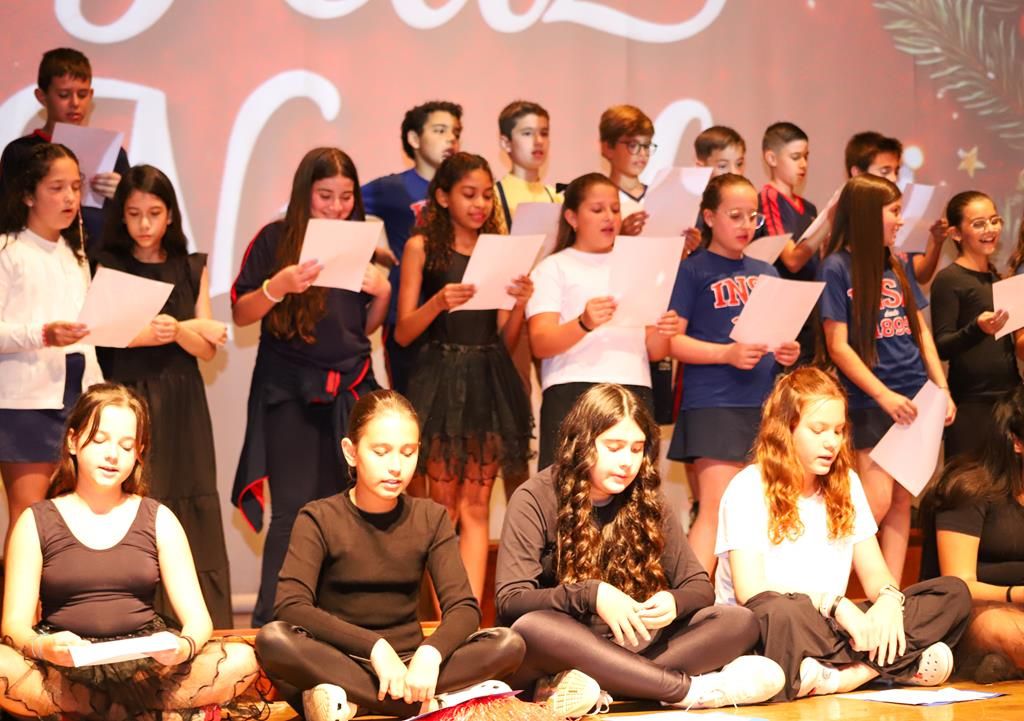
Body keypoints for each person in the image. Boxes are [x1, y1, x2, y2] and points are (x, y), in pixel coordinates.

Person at [496, 383, 784, 715]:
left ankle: (594, 686)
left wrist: (674, 602)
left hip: (631, 642)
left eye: (636, 449)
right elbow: (511, 600)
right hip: (566, 645)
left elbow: (698, 586)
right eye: (614, 447)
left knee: (739, 621)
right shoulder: (534, 498)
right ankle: (688, 690)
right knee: (535, 628)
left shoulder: (647, 499)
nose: (627, 462)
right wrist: (592, 595)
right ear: (581, 443)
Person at [255, 390, 525, 721]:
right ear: (351, 452)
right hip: (340, 662)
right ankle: (428, 704)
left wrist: (431, 652)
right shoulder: (318, 517)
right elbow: (291, 605)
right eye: (381, 452)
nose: (396, 467)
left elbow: (464, 608)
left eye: (408, 453)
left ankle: (356, 704)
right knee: (274, 640)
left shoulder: (430, 517)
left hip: (413, 668)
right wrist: (374, 647)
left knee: (508, 644)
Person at [0, 383, 259, 720]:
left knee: (241, 660)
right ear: (73, 441)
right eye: (100, 440)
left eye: (126, 446)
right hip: (63, 667)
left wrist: (183, 647)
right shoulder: (36, 521)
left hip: (145, 667)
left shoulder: (158, 518)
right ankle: (147, 713)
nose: (113, 455)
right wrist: (43, 647)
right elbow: (13, 625)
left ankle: (103, 711)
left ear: (139, 452)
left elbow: (198, 620)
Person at [716, 367, 971, 700]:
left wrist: (888, 602)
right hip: (778, 623)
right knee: (780, 614)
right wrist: (833, 604)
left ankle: (840, 676)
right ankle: (892, 665)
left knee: (953, 593)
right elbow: (752, 593)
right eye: (818, 430)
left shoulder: (847, 483)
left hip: (835, 625)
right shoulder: (748, 486)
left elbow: (876, 573)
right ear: (785, 429)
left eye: (838, 431)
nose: (832, 442)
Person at [231, 147, 390, 626]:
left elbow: (363, 328)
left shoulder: (362, 242)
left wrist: (383, 291)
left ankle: (342, 622)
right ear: (305, 194)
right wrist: (277, 287)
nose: (336, 207)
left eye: (345, 196)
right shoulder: (275, 238)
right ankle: (272, 624)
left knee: (352, 510)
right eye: (325, 196)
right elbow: (240, 313)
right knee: (293, 512)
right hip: (289, 391)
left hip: (351, 388)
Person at [94, 164, 233, 627]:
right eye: (134, 214)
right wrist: (154, 333)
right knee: (135, 494)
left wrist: (177, 331)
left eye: (154, 213)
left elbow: (208, 348)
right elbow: (103, 335)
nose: (145, 224)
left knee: (189, 497)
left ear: (170, 214)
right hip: (127, 398)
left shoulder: (191, 266)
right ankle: (133, 615)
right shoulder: (108, 263)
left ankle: (197, 620)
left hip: (182, 399)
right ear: (122, 215)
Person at [394, 152, 533, 601]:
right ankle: (444, 614)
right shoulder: (421, 247)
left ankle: (469, 616)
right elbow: (402, 331)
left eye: (487, 195)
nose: (480, 204)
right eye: (469, 194)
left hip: (488, 381)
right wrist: (439, 302)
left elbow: (505, 337)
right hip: (439, 379)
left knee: (476, 507)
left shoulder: (498, 248)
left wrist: (520, 305)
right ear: (442, 197)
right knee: (443, 508)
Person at [819, 173, 955, 581]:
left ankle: (892, 594)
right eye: (894, 211)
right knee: (873, 503)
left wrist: (941, 388)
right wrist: (882, 395)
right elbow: (838, 345)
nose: (901, 220)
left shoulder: (896, 263)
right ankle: (827, 590)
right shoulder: (836, 267)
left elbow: (920, 329)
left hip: (915, 395)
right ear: (867, 214)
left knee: (900, 502)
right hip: (871, 400)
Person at [668, 173, 800, 572]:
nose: (746, 225)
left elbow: (778, 338)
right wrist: (726, 354)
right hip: (714, 401)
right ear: (709, 217)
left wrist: (787, 351)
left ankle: (752, 597)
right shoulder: (692, 270)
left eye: (753, 217)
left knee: (761, 508)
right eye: (735, 215)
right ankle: (690, 599)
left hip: (763, 403)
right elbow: (672, 343)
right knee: (716, 506)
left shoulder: (767, 271)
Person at [527, 172, 680, 469]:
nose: (609, 217)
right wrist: (583, 323)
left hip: (633, 387)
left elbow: (655, 351)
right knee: (571, 483)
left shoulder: (639, 265)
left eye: (615, 209)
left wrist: (664, 330)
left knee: (632, 484)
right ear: (572, 217)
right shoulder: (553, 267)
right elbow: (541, 342)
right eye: (597, 210)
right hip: (573, 389)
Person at [0, 143, 103, 550]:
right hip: (26, 401)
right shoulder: (9, 251)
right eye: (57, 188)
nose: (70, 198)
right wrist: (42, 334)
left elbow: (88, 331)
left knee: (69, 517)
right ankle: (18, 595)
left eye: (76, 187)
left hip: (76, 395)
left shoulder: (75, 254)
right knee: (28, 515)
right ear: (28, 194)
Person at [921, 386, 1024, 682]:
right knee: (1004, 629)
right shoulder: (969, 488)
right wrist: (1015, 594)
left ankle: (1005, 665)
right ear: (1017, 441)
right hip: (972, 615)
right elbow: (957, 584)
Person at [362, 100, 463, 394]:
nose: (450, 139)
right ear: (414, 139)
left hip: (455, 316)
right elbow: (339, 209)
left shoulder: (466, 190)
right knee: (411, 403)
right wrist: (371, 252)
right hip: (406, 315)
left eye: (456, 132)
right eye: (440, 131)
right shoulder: (392, 188)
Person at [0, 48, 129, 253]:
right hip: (37, 255)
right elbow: (9, 215)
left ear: (91, 95)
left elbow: (129, 221)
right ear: (42, 96)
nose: (75, 103)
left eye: (82, 94)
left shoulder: (112, 153)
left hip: (99, 257)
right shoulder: (21, 152)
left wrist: (125, 195)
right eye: (64, 95)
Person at [930, 191, 1018, 460]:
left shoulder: (998, 279)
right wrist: (977, 328)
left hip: (1009, 400)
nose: (990, 229)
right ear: (956, 234)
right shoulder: (949, 280)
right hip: (972, 404)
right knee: (968, 482)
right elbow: (942, 346)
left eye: (994, 220)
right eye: (979, 223)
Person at [844, 131, 947, 284]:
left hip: (902, 297)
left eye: (896, 171)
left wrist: (936, 242)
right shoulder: (843, 219)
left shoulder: (902, 213)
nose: (893, 178)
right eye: (885, 171)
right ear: (857, 173)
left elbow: (919, 274)